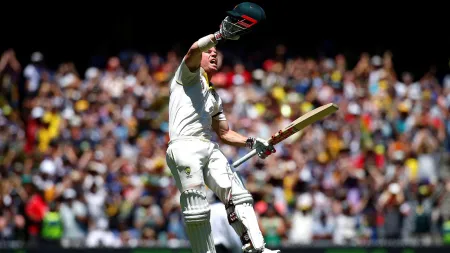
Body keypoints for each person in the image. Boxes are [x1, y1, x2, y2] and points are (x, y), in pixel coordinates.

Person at [165, 2, 280, 253]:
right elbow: (194, 50)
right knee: (198, 209)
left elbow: (225, 133)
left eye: (217, 51)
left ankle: (257, 248)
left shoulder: (214, 96)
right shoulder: (186, 76)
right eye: (211, 52)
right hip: (184, 146)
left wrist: (252, 142)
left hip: (209, 146)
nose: (214, 53)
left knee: (239, 196)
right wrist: (218, 35)